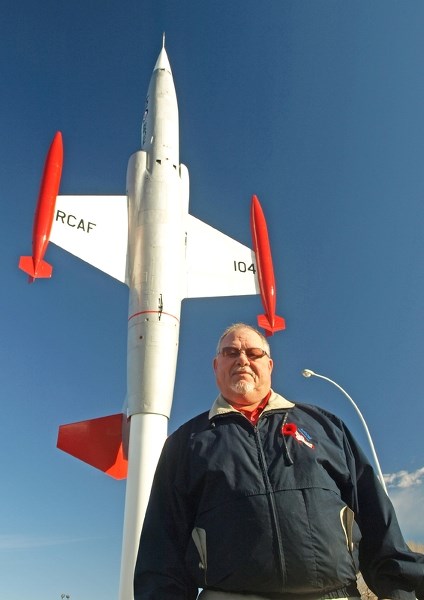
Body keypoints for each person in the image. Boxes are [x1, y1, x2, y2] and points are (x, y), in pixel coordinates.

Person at [134, 323, 424, 600]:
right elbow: (162, 546)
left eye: (254, 353)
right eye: (230, 353)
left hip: (335, 594)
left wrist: (398, 590)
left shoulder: (326, 426)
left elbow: (374, 514)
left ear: (269, 366)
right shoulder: (186, 442)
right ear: (216, 366)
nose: (242, 360)